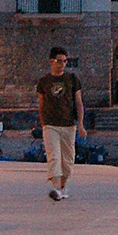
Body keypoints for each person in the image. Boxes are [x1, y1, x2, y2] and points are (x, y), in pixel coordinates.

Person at [36, 46, 86, 200]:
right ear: (51, 61)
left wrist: (81, 125)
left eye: (65, 61)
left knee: (68, 159)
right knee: (54, 156)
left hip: (68, 125)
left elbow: (79, 103)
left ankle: (62, 186)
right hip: (50, 125)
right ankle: (56, 188)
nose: (62, 64)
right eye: (59, 61)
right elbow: (41, 103)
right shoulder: (44, 82)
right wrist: (43, 123)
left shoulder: (72, 80)